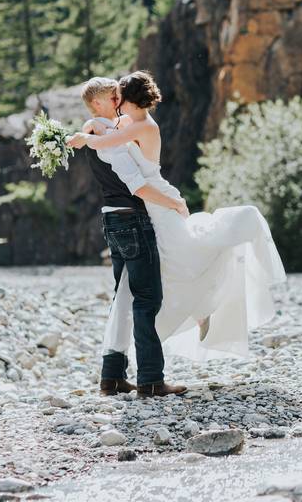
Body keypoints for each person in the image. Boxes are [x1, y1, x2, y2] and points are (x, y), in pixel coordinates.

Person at [67, 71, 286, 366]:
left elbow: (105, 143)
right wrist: (93, 124)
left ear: (129, 99)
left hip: (157, 197)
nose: (116, 101)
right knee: (171, 260)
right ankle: (199, 313)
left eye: (119, 96)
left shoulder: (141, 125)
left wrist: (83, 136)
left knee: (181, 255)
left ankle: (202, 310)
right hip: (151, 201)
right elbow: (108, 131)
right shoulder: (129, 122)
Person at [75, 76, 187, 398]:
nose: (119, 101)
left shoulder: (100, 130)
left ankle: (111, 376)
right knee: (146, 299)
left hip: (112, 218)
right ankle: (151, 380)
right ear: (99, 103)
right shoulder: (110, 139)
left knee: (122, 298)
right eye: (113, 97)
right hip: (132, 219)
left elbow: (100, 131)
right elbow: (137, 185)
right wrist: (175, 202)